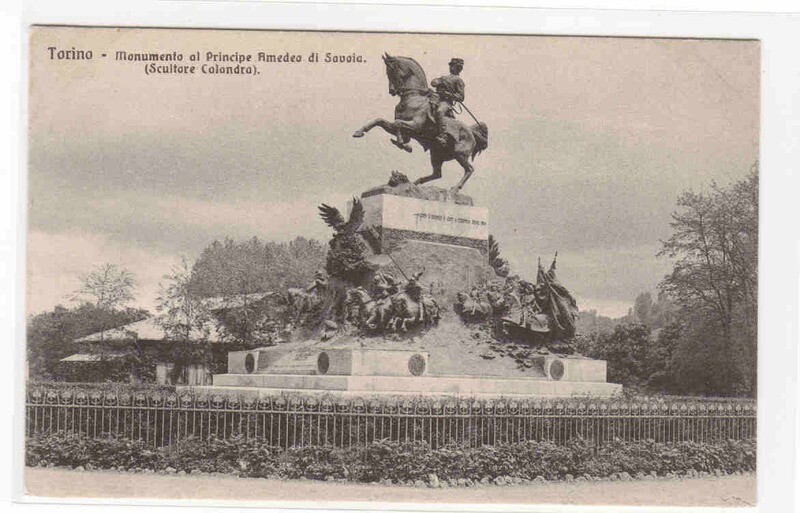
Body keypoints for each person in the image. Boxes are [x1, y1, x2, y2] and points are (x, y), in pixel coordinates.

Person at [430, 58, 465, 147]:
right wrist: (436, 81)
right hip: (436, 97)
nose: (450, 67)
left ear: (457, 67)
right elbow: (433, 82)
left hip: (446, 102)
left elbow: (461, 97)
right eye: (450, 65)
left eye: (452, 65)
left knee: (439, 112)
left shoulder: (459, 80)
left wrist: (449, 94)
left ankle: (443, 136)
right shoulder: (444, 77)